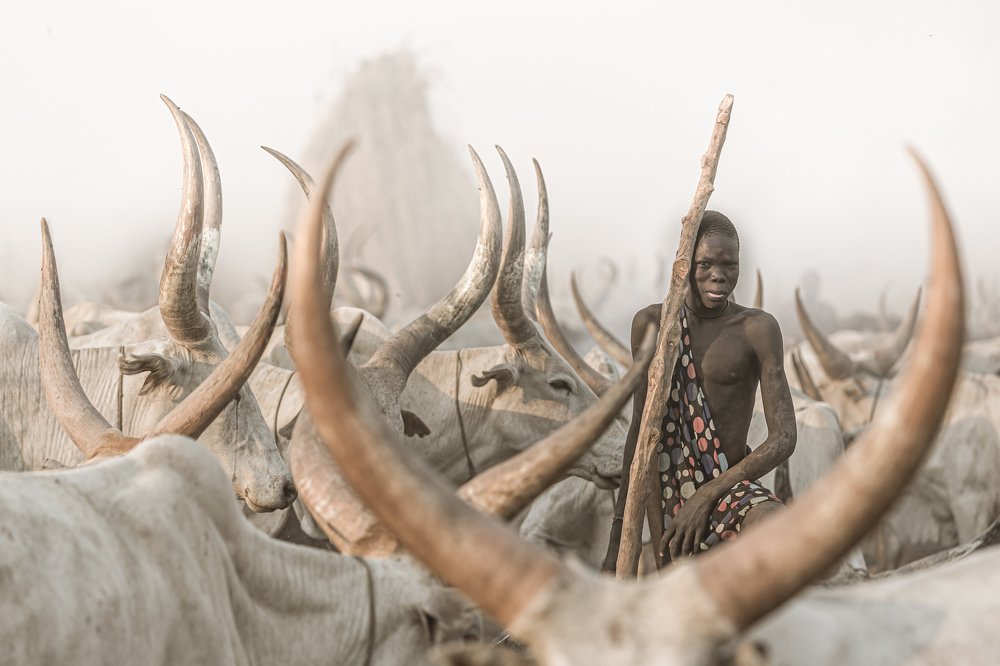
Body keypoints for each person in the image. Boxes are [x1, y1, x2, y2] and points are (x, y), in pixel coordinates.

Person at [602, 211, 796, 572]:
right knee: (677, 602)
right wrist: (617, 541)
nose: (718, 275)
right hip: (667, 498)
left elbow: (784, 438)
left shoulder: (757, 328)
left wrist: (707, 495)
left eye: (729, 264)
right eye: (705, 263)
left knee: (777, 527)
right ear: (683, 265)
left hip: (731, 490)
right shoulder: (652, 325)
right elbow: (640, 433)